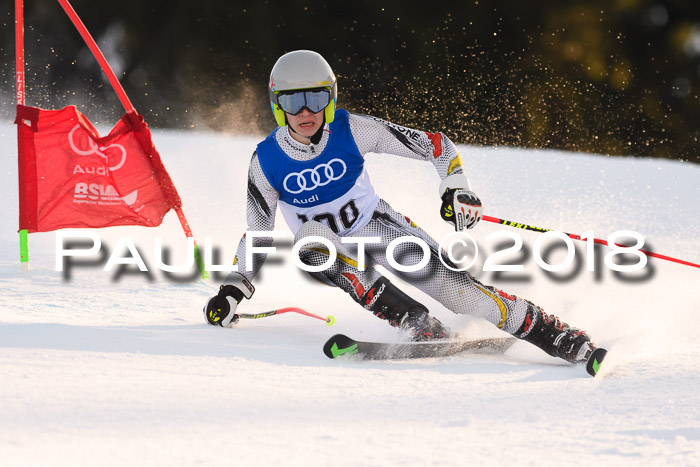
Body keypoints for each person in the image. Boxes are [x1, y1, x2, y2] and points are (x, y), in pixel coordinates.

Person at [204, 50, 597, 364]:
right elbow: (258, 232)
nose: (305, 112)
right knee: (312, 241)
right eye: (293, 101)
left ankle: (558, 335)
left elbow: (437, 145)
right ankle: (417, 322)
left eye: (315, 98)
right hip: (326, 248)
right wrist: (234, 290)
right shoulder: (266, 160)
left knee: (463, 295)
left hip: (380, 228)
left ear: (330, 98)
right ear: (277, 104)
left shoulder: (353, 129)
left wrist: (456, 187)